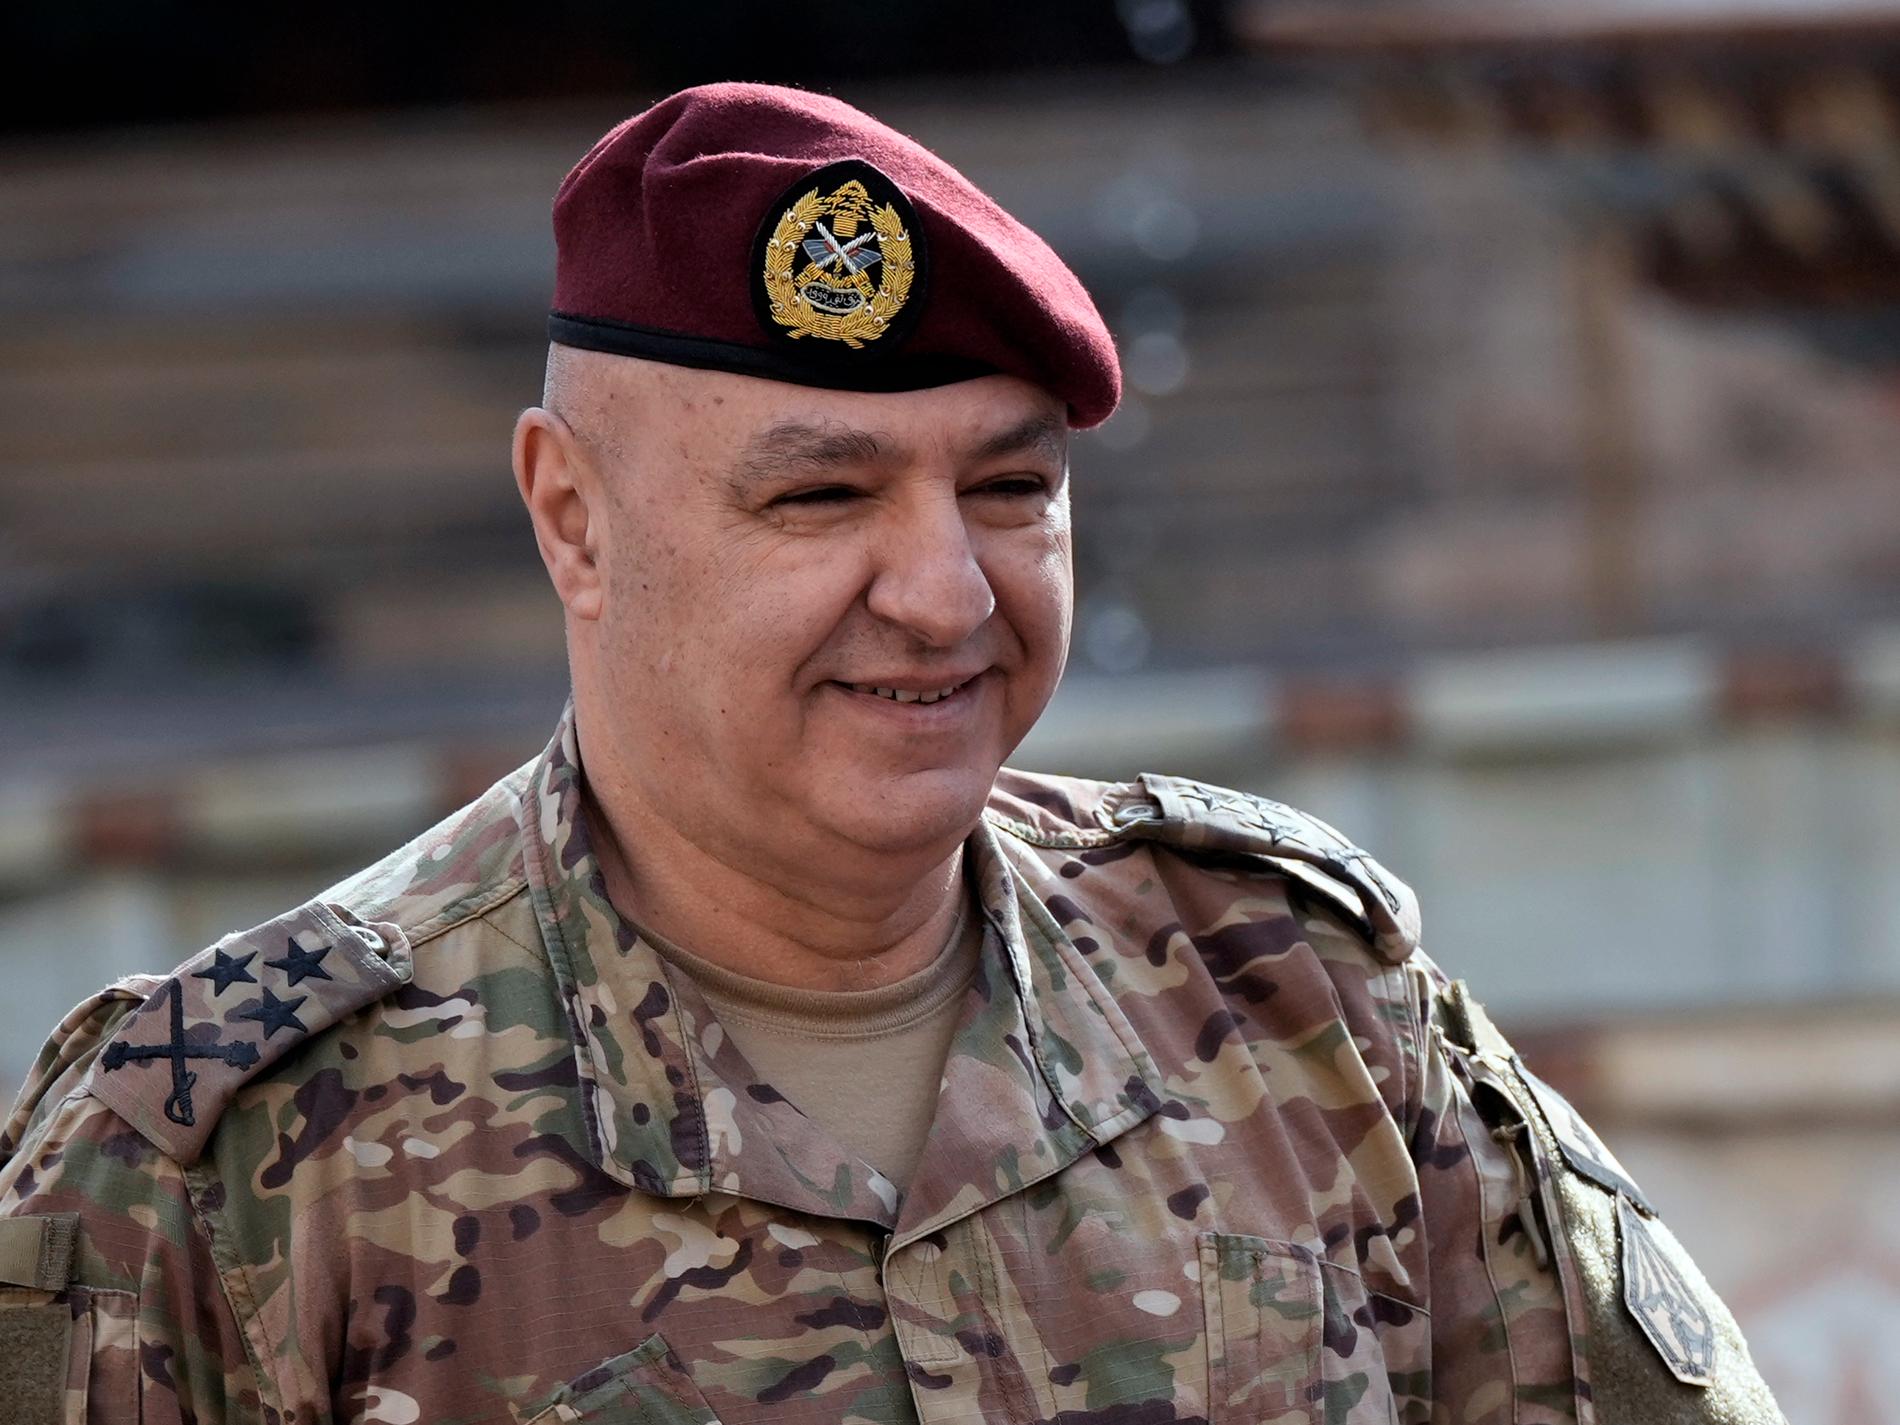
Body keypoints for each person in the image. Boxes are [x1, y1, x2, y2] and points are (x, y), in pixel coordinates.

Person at [0, 84, 1783, 1425]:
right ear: (573, 518)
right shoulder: (222, 1159)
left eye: (1011, 487)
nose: (944, 595)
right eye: (822, 497)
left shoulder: (1303, 1008)